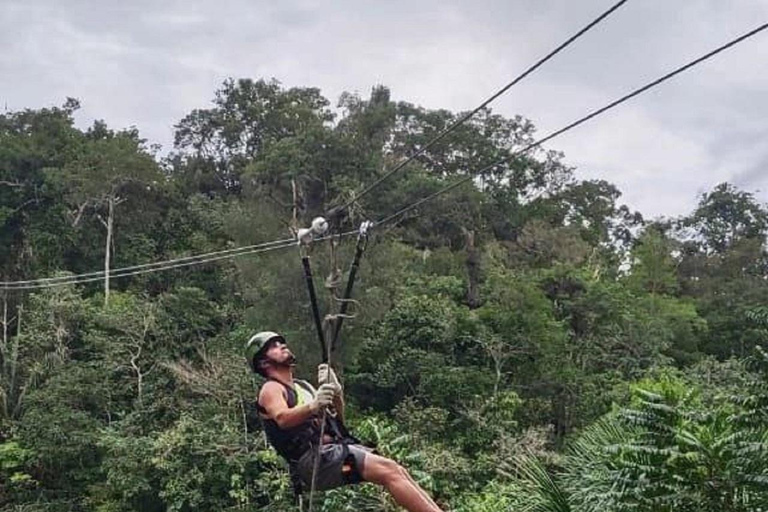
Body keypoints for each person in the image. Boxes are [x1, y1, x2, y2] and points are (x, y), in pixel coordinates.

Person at [246, 331, 445, 512]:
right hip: (312, 461)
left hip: (330, 452)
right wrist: (314, 405)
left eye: (281, 342)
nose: (282, 345)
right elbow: (282, 419)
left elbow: (337, 421)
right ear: (263, 363)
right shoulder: (271, 389)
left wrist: (336, 393)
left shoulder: (303, 387)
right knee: (387, 470)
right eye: (273, 346)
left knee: (395, 469)